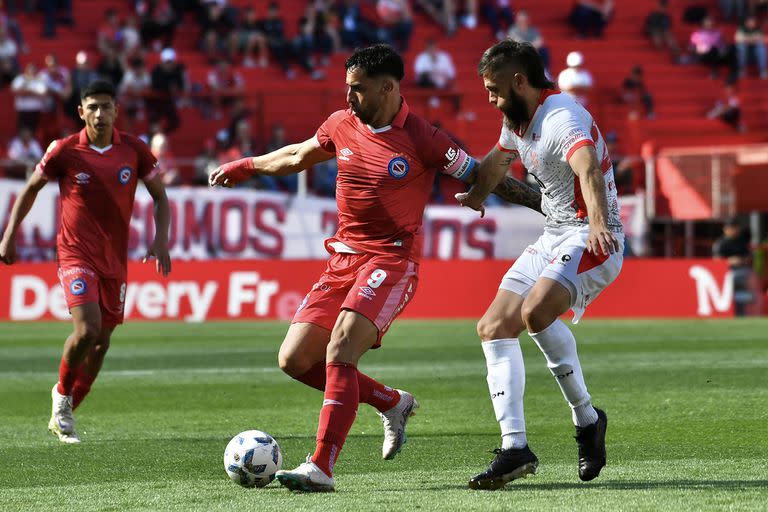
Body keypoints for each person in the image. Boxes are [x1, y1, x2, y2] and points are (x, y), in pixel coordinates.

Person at [209, 43, 542, 492]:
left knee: (340, 348)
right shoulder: (342, 124)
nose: (348, 99)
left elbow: (486, 176)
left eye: (357, 90)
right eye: (347, 89)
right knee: (293, 359)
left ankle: (321, 466)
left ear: (388, 88)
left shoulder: (425, 138)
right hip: (343, 258)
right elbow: (296, 156)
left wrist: (546, 203)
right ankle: (391, 402)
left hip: (392, 260)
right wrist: (246, 166)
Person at [455, 40, 623, 490]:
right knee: (492, 326)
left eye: (493, 89)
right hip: (553, 236)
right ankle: (515, 449)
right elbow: (498, 161)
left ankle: (586, 420)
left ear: (519, 81)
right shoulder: (517, 120)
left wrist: (599, 225)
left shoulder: (561, 116)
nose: (489, 98)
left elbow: (587, 167)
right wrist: (475, 195)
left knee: (535, 311)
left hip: (593, 236)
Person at [0, 80, 171, 444]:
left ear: (115, 110)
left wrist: (160, 239)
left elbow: (160, 196)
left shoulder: (133, 150)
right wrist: (10, 234)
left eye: (106, 106)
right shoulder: (65, 150)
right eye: (92, 107)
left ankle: (67, 412)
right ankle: (61, 397)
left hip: (114, 259)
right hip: (75, 253)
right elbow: (30, 189)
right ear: (81, 112)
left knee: (102, 342)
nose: (99, 113)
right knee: (88, 329)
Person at [713, 217, 753, 316]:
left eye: (735, 227)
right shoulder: (721, 243)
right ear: (726, 229)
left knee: (750, 277)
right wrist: (730, 261)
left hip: (743, 271)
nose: (734, 230)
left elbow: (748, 257)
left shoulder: (741, 241)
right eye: (731, 227)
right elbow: (716, 261)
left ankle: (748, 311)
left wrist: (743, 260)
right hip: (726, 274)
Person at [735, 15, 767, 79]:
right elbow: (738, 40)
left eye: (753, 22)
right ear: (746, 22)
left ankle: (763, 71)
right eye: (750, 22)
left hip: (755, 53)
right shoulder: (741, 30)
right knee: (741, 47)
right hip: (745, 53)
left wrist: (747, 40)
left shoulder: (759, 30)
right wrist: (753, 39)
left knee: (761, 48)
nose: (752, 23)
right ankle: (742, 70)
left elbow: (763, 39)